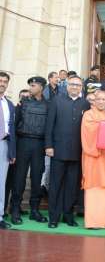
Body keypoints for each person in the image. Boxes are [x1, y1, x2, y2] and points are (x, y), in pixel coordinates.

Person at [45, 75, 89, 228]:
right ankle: (54, 217)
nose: (75, 87)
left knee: (72, 186)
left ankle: (68, 215)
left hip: (77, 152)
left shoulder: (86, 104)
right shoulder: (57, 100)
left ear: (81, 87)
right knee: (56, 185)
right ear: (67, 85)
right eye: (72, 84)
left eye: (78, 85)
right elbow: (49, 124)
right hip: (58, 150)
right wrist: (48, 146)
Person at [11, 76, 48, 225]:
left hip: (39, 144)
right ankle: (15, 209)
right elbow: (14, 125)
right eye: (30, 85)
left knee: (37, 177)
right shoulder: (22, 103)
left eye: (33, 85)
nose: (30, 88)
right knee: (19, 178)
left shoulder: (49, 105)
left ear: (41, 87)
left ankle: (34, 210)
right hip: (23, 142)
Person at [81, 90, 105, 229]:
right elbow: (88, 132)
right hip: (94, 156)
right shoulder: (88, 115)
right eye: (99, 99)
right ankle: (93, 222)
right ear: (94, 100)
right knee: (94, 188)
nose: (102, 101)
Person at [4, 89, 30, 218]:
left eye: (27, 97)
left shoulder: (29, 110)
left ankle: (16, 206)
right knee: (8, 181)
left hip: (22, 150)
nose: (24, 99)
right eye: (22, 97)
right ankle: (4, 209)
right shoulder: (13, 109)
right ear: (18, 98)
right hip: (12, 149)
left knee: (18, 181)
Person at [0, 72, 16, 230]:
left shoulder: (9, 104)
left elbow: (11, 129)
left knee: (1, 183)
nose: (2, 83)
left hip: (4, 145)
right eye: (0, 81)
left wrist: (12, 152)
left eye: (5, 81)